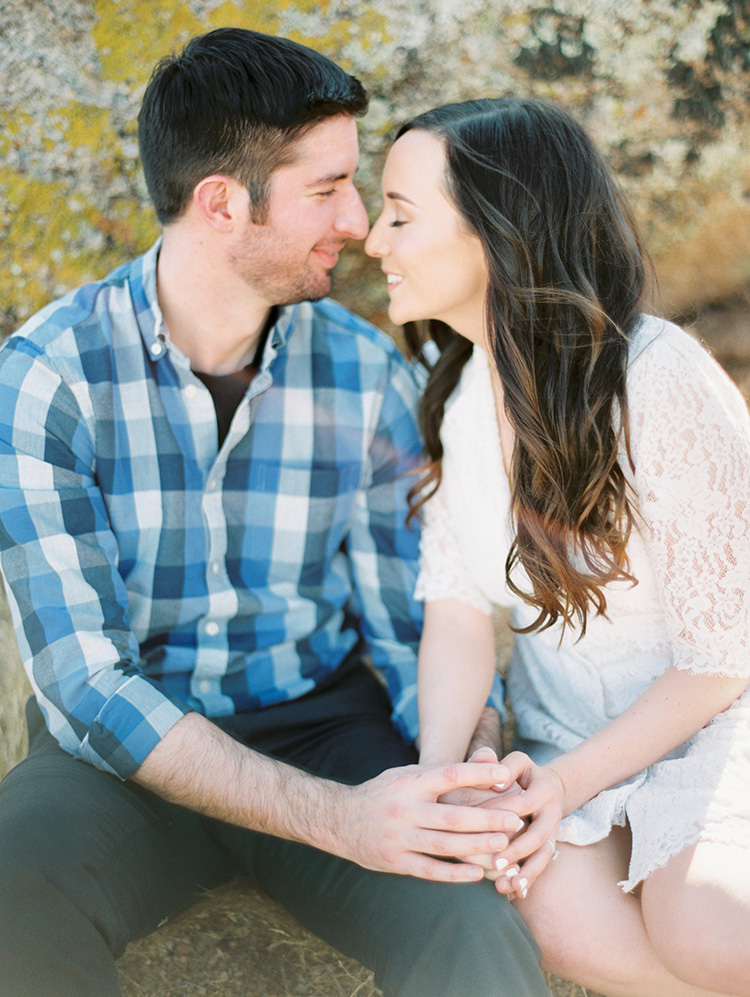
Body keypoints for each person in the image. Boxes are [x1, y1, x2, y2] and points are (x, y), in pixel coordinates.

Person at [0, 33, 550, 997]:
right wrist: (339, 821)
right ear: (222, 202)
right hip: (121, 756)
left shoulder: (369, 374)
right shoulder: (45, 379)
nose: (360, 219)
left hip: (320, 723)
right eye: (328, 187)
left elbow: (411, 618)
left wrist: (464, 766)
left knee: (470, 913)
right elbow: (86, 681)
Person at [365, 97, 750, 997]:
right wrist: (438, 783)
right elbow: (458, 620)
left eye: (400, 214)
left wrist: (563, 786)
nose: (374, 241)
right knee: (556, 917)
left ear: (499, 230)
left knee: (701, 926)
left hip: (714, 714)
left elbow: (725, 655)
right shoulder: (458, 401)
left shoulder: (655, 377)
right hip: (566, 730)